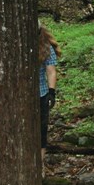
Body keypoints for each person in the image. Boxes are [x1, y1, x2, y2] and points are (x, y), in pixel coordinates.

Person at [38, 22, 61, 167]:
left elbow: (51, 70)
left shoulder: (45, 46)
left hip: (41, 93)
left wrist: (51, 92)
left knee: (41, 131)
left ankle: (40, 165)